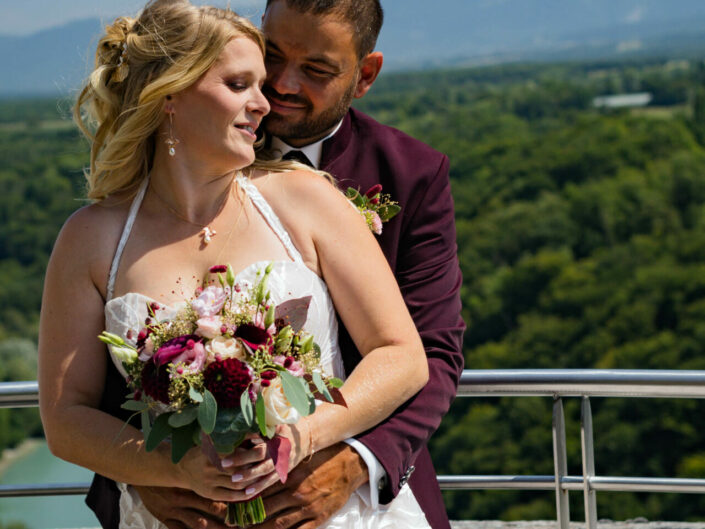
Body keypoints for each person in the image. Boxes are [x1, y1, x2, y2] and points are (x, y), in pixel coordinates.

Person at [37, 1, 433, 529]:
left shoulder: (308, 199)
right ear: (171, 94)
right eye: (240, 84)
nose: (264, 103)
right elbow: (66, 420)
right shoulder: (89, 239)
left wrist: (307, 435)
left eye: (259, 84)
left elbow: (403, 356)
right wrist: (173, 470)